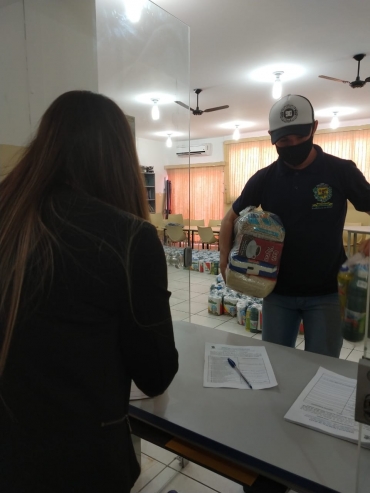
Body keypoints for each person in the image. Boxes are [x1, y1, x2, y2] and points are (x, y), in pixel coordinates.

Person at [0, 91, 179, 492]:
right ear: (118, 157)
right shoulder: (130, 237)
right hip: (82, 465)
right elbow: (155, 375)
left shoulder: (10, 216)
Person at [220, 94, 370, 358]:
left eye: (300, 138)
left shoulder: (340, 172)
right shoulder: (264, 179)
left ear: (314, 128)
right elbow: (228, 219)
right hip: (277, 293)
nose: (293, 146)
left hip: (328, 294)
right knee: (276, 366)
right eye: (284, 141)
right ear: (272, 137)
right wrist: (224, 264)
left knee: (322, 369)